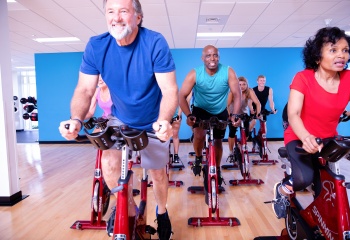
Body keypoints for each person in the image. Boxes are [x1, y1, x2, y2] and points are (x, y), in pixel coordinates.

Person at [58, 0, 178, 239]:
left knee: (157, 174)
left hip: (153, 121)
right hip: (120, 119)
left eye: (124, 11)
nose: (116, 17)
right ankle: (129, 209)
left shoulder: (154, 42)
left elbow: (170, 90)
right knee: (109, 165)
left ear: (138, 17)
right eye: (110, 11)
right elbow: (84, 90)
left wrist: (164, 120)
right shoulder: (96, 46)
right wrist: (76, 120)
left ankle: (162, 212)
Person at [272, 26, 350, 219]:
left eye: (345, 50)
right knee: (304, 178)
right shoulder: (303, 78)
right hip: (299, 135)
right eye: (333, 50)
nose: (341, 55)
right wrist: (306, 137)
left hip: (329, 137)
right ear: (318, 56)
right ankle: (281, 190)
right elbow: (293, 114)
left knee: (327, 188)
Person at [178, 45, 241, 185]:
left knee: (218, 141)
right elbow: (181, 96)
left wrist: (235, 114)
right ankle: (199, 158)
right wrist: (188, 115)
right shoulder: (195, 73)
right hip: (201, 109)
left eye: (215, 55)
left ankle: (217, 169)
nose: (212, 59)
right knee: (199, 135)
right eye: (208, 55)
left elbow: (237, 95)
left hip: (220, 110)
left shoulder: (228, 71)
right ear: (202, 58)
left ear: (219, 57)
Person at [227, 76, 261, 156]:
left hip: (244, 115)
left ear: (247, 85)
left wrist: (257, 114)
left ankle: (239, 145)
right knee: (232, 133)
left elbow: (258, 103)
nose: (241, 86)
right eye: (240, 84)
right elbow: (227, 105)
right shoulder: (232, 92)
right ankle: (231, 152)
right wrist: (230, 116)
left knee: (246, 134)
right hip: (233, 114)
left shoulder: (250, 91)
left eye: (244, 84)